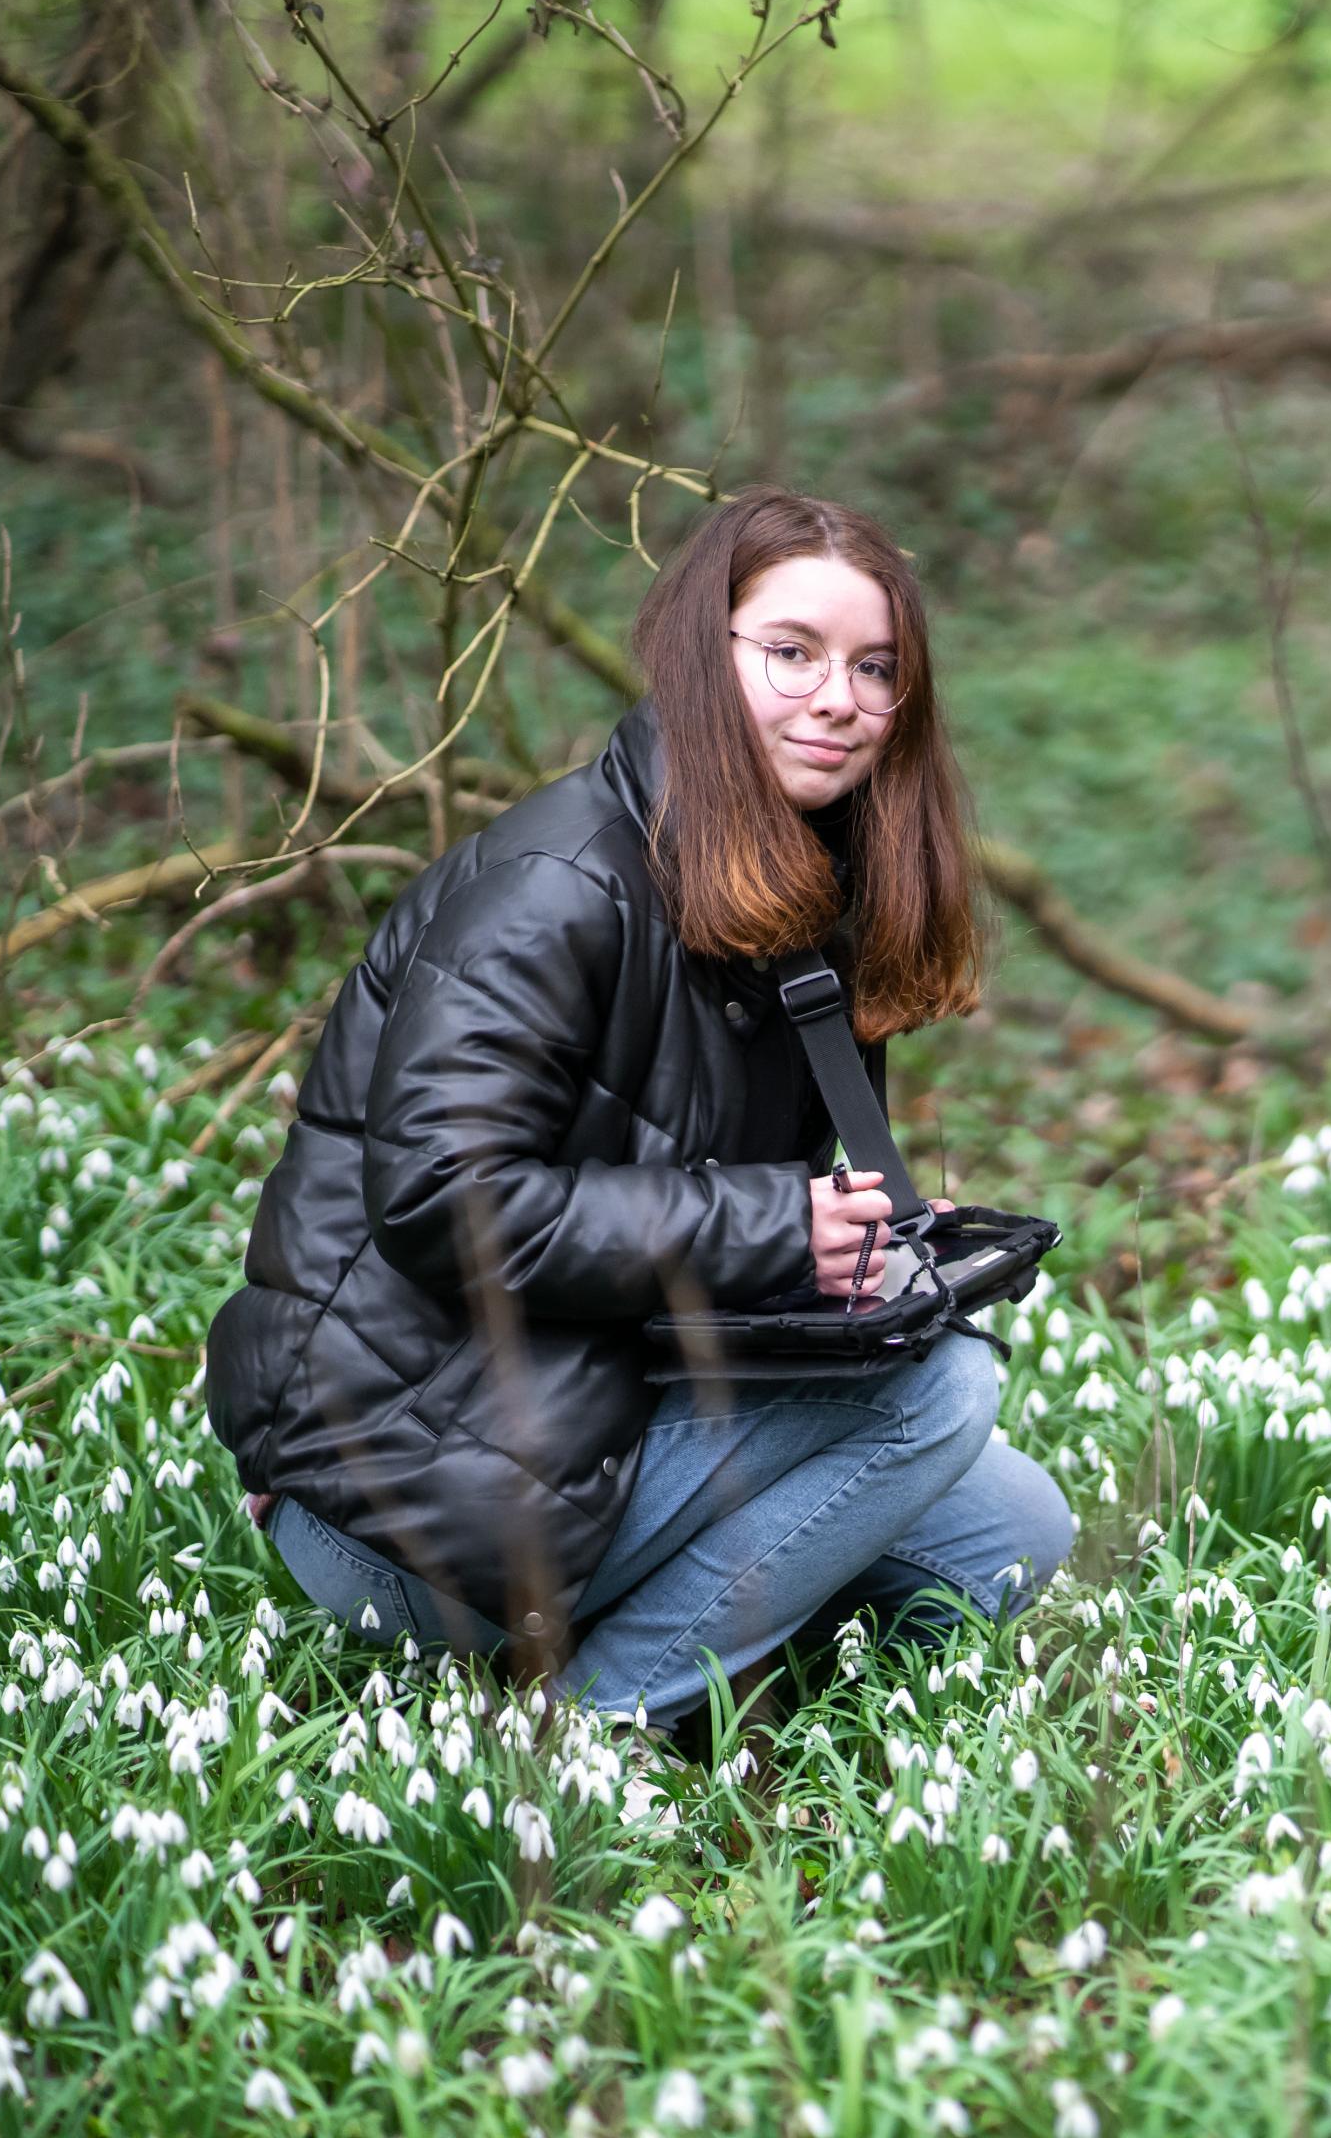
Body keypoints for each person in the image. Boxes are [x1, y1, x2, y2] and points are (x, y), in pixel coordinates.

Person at [200, 487, 1075, 1748]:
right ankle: (601, 1737)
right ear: (698, 661)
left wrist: (849, 1244)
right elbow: (444, 1205)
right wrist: (778, 1226)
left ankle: (717, 1676)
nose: (840, 700)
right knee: (937, 1392)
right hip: (405, 1489)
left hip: (583, 1405)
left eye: (875, 669)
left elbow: (694, 1233)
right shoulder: (557, 886)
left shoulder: (788, 886)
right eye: (792, 653)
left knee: (1009, 1535)